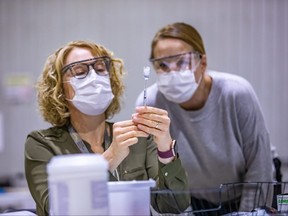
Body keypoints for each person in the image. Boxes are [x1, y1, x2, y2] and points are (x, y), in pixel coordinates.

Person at [24, 40, 190, 216]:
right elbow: (54, 209)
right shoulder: (42, 144)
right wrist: (111, 157)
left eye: (101, 69)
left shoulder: (137, 138)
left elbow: (174, 205)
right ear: (59, 89)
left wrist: (165, 148)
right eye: (80, 72)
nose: (94, 78)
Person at [136, 22, 274, 215]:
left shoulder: (236, 93)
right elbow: (161, 177)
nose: (172, 72)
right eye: (163, 65)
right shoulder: (152, 102)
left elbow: (260, 167)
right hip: (193, 201)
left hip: (247, 195)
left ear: (202, 62)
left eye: (182, 61)